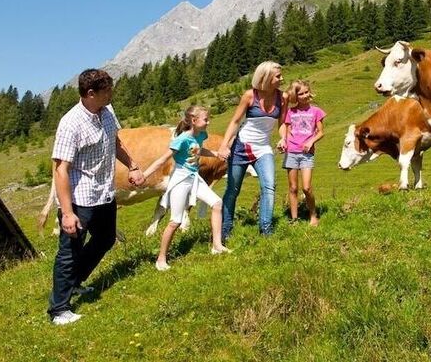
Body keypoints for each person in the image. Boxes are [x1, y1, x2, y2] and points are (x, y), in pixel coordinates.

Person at [47, 69, 144, 325]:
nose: (111, 94)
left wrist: (133, 166)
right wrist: (67, 213)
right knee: (69, 252)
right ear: (91, 93)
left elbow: (115, 142)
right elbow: (60, 170)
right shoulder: (71, 123)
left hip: (104, 192)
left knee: (105, 238)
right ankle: (59, 310)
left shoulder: (107, 111)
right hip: (79, 199)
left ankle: (75, 281)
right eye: (107, 90)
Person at [141, 105, 229, 271]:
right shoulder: (181, 140)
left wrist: (215, 153)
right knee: (175, 221)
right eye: (206, 119)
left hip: (194, 178)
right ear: (194, 121)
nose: (208, 122)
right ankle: (161, 259)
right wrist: (144, 175)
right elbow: (162, 160)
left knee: (217, 203)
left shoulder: (201, 134)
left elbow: (198, 150)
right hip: (180, 181)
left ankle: (217, 246)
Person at [217, 61, 288, 239]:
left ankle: (266, 231)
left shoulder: (283, 97)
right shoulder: (250, 96)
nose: (282, 79)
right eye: (278, 76)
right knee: (233, 190)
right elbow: (235, 121)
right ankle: (225, 232)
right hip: (241, 147)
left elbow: (282, 123)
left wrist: (283, 138)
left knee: (269, 186)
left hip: (263, 148)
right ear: (266, 77)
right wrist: (224, 145)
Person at [283, 80, 325, 226]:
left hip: (307, 153)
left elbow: (321, 132)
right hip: (292, 152)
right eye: (301, 94)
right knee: (293, 187)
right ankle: (294, 219)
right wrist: (284, 143)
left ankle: (313, 215)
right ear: (295, 96)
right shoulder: (290, 112)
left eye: (307, 92)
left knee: (306, 188)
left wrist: (311, 141)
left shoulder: (316, 111)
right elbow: (287, 132)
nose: (305, 95)